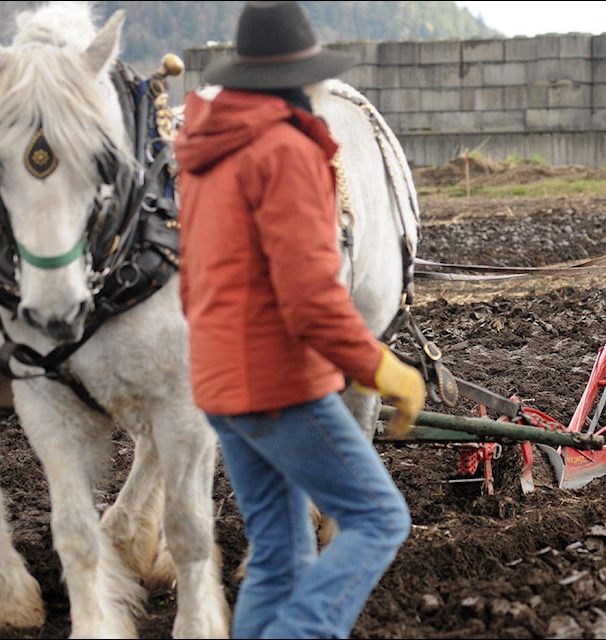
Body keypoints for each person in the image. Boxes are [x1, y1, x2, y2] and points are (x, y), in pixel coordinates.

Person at [174, 2, 426, 638]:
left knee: (281, 558)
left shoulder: (203, 155)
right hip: (279, 385)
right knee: (378, 519)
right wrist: (384, 370)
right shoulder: (285, 149)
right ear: (296, 80)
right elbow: (311, 297)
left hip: (220, 385)